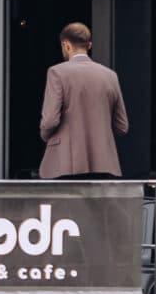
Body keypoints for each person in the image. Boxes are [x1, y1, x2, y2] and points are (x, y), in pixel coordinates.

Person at [39, 22, 129, 179]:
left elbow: (50, 121)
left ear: (66, 45)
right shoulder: (110, 75)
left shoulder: (57, 73)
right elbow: (122, 126)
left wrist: (46, 135)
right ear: (89, 45)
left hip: (65, 163)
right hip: (104, 163)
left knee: (64, 204)